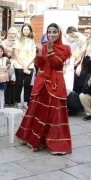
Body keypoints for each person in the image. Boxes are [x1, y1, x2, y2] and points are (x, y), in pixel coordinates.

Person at [15, 23, 72, 155]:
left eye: (54, 32)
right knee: (38, 111)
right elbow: (38, 64)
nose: (51, 35)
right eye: (49, 32)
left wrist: (50, 51)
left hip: (55, 84)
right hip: (42, 83)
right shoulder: (43, 46)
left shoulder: (65, 48)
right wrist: (40, 53)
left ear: (59, 33)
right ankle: (36, 139)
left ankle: (53, 142)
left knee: (53, 114)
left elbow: (56, 64)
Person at [12, 24, 36, 110]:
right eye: (24, 29)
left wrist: (27, 65)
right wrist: (23, 65)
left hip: (29, 65)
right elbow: (16, 54)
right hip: (19, 66)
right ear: (22, 30)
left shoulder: (32, 40)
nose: (26, 31)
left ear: (30, 30)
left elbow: (34, 54)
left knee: (27, 85)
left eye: (27, 29)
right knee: (18, 84)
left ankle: (26, 102)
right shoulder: (17, 41)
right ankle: (17, 102)